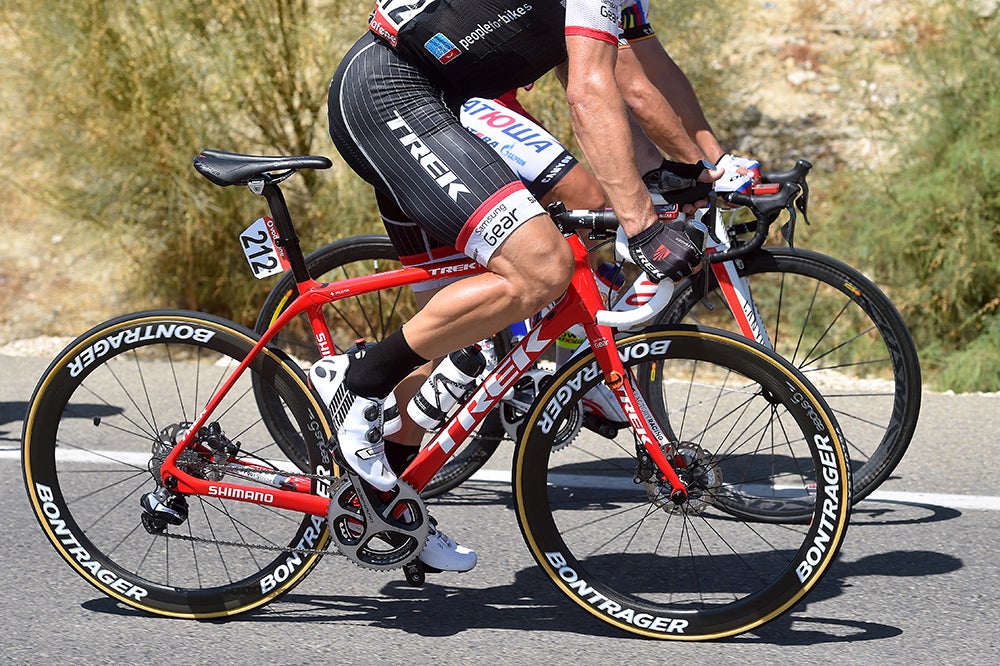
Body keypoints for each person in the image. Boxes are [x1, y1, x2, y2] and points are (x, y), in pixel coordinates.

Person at [314, 0, 718, 574]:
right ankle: (357, 384)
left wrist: (685, 174)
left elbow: (627, 84)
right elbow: (588, 93)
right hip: (391, 96)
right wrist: (643, 225)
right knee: (542, 266)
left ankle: (388, 502)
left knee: (461, 343)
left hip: (439, 105)